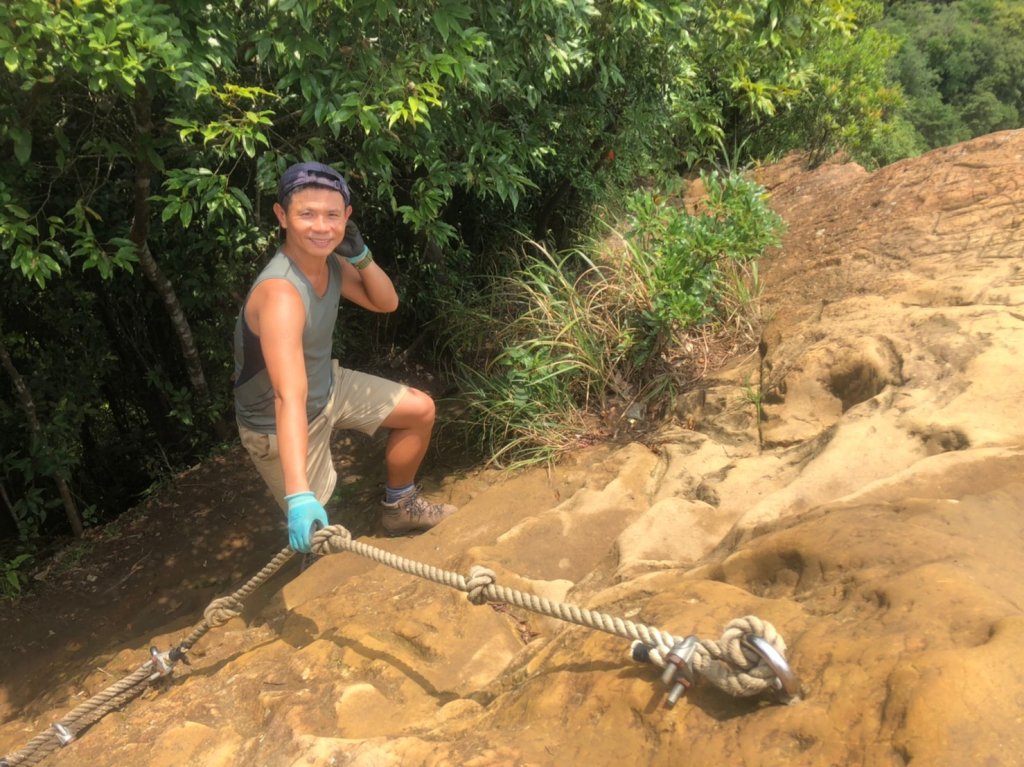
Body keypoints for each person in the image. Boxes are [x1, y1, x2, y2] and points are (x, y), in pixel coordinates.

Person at [233, 160, 457, 553]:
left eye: (332, 215)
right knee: (321, 539)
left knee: (419, 411)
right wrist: (299, 495)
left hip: (327, 384)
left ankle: (400, 507)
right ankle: (312, 557)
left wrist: (361, 256)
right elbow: (289, 395)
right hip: (277, 419)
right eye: (307, 214)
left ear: (347, 217)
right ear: (282, 216)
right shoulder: (281, 293)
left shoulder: (330, 261)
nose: (322, 226)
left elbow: (386, 302)